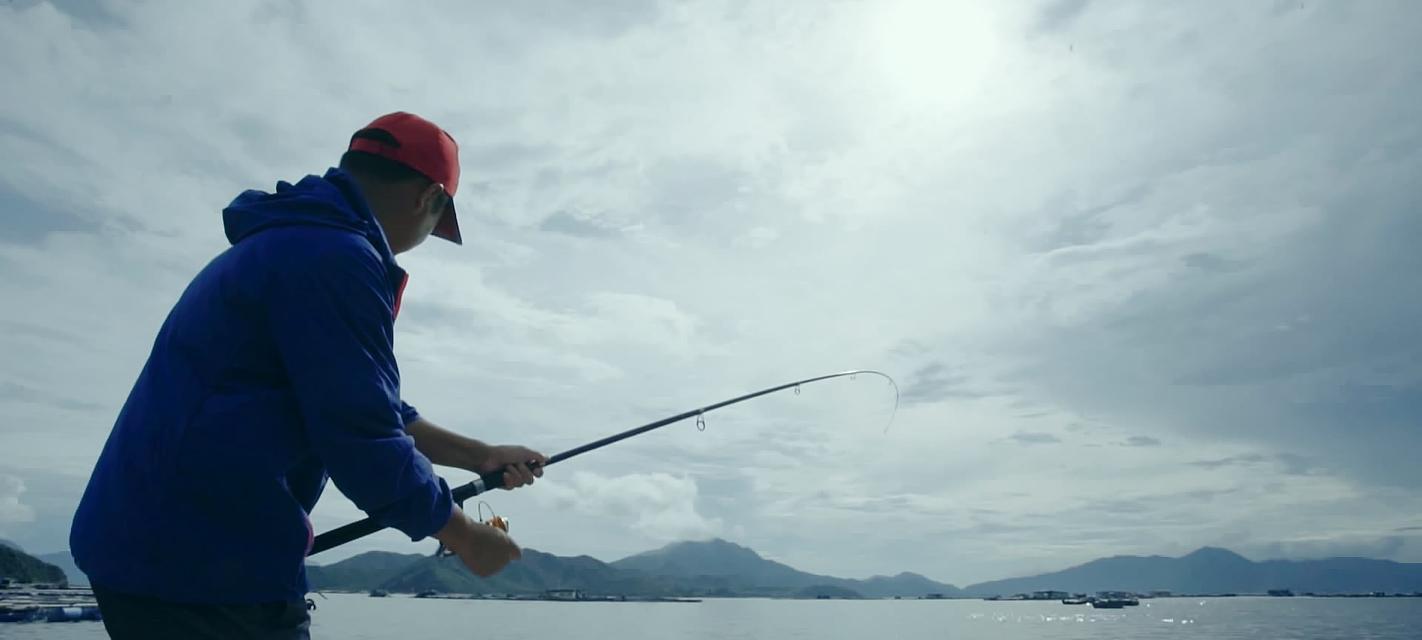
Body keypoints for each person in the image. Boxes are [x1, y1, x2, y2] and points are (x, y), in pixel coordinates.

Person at [70, 112, 546, 639]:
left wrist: (480, 456)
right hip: (198, 564)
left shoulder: (294, 243)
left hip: (155, 547)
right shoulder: (337, 260)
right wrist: (464, 535)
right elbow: (362, 439)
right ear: (428, 198)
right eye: (439, 222)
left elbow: (362, 406)